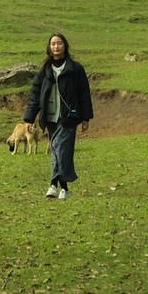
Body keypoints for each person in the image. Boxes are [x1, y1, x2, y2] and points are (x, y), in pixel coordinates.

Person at [23, 33, 94, 200]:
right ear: (49, 47)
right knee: (58, 151)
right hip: (50, 116)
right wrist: (30, 118)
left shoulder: (75, 69)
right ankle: (64, 189)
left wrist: (86, 117)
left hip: (68, 116)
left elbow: (84, 93)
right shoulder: (43, 71)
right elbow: (34, 95)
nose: (56, 46)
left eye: (59, 43)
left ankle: (53, 184)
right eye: (53, 44)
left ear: (65, 46)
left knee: (58, 148)